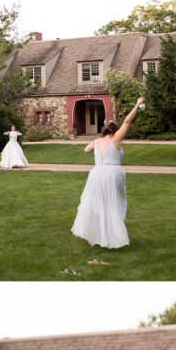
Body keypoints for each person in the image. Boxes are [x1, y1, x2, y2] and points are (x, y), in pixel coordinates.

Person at [70, 97, 145, 248]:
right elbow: (127, 122)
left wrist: (99, 155)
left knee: (97, 204)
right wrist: (137, 104)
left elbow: (86, 150)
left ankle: (95, 237)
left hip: (97, 174)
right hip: (112, 174)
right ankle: (110, 237)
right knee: (114, 204)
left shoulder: (97, 141)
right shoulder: (115, 139)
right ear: (115, 131)